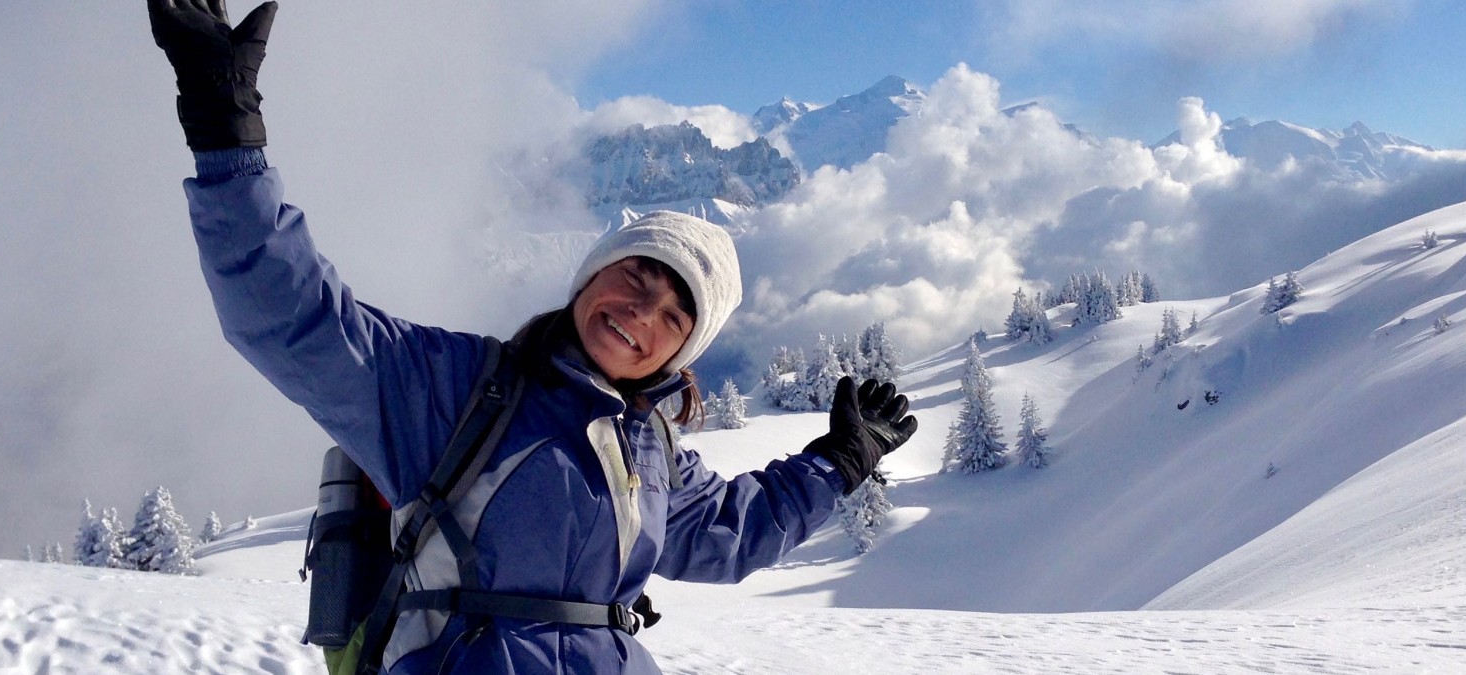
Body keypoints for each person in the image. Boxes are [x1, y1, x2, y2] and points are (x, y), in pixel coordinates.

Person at [145, 2, 918, 673]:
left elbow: (731, 532)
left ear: (682, 352)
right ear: (588, 279)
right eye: (636, 279)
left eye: (675, 316)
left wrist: (838, 462)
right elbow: (289, 315)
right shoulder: (454, 390)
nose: (643, 314)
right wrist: (227, 135)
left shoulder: (649, 450)